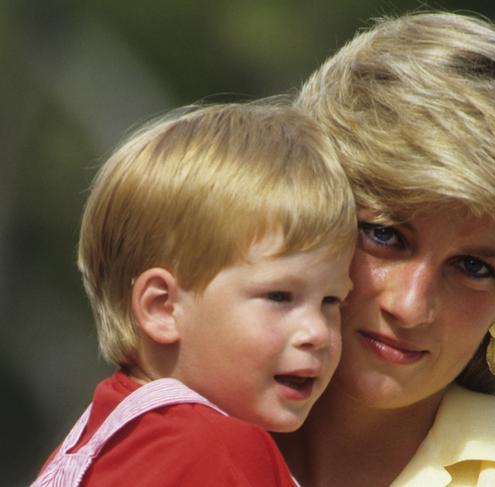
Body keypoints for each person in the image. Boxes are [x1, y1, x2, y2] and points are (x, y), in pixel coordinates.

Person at [275, 11, 495, 486]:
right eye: (384, 235)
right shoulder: (160, 415)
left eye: (472, 266)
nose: (410, 306)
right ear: (312, 205)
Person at [32, 102, 357, 486]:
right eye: (280, 296)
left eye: (331, 301)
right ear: (162, 307)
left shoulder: (99, 440)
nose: (317, 332)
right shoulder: (216, 450)